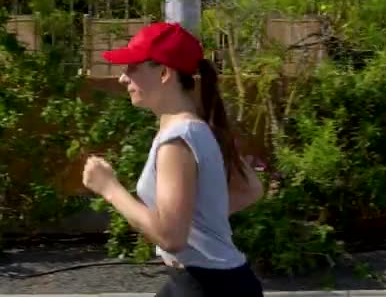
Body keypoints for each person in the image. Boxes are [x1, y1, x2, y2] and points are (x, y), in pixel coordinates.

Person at [81, 22, 265, 296]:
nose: (122, 78)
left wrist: (109, 188)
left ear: (165, 72)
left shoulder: (178, 139)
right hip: (209, 281)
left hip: (207, 285)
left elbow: (170, 237)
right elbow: (251, 190)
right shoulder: (195, 127)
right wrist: (195, 219)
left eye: (132, 68)